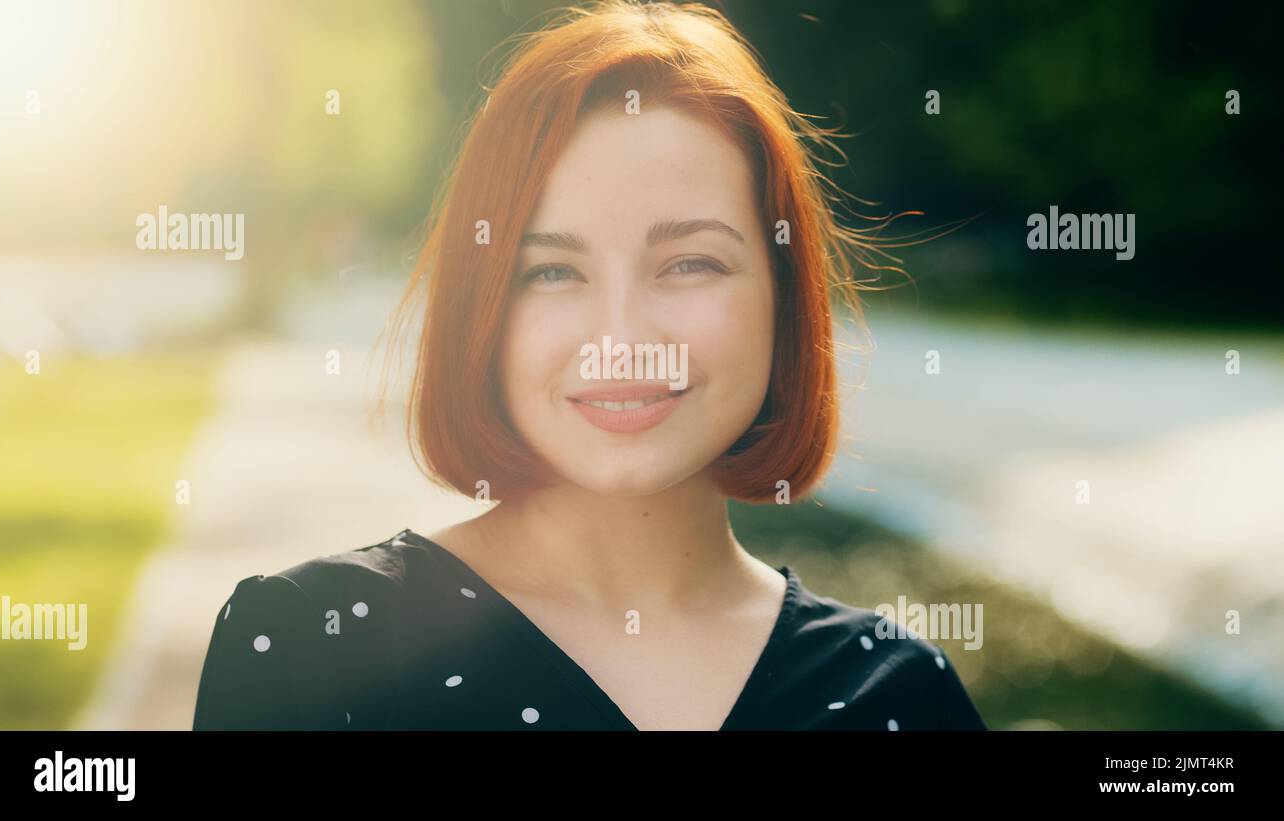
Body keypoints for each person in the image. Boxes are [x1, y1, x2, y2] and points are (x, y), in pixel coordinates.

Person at [193, 0, 987, 731]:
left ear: (783, 296)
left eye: (690, 264)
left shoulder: (902, 695)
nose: (621, 334)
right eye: (551, 272)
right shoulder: (310, 649)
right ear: (484, 312)